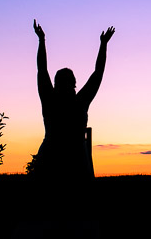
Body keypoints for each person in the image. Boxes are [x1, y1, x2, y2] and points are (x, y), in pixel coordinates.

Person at [32, 19, 114, 179]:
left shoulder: (50, 99)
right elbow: (98, 73)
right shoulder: (80, 101)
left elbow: (41, 69)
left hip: (52, 159)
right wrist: (103, 44)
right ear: (74, 84)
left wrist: (41, 40)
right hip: (76, 162)